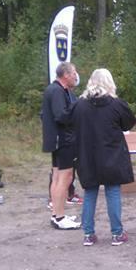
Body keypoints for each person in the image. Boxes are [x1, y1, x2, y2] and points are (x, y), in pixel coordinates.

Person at [72, 69, 136, 246]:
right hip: (111, 154)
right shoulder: (116, 104)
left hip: (87, 155)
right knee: (113, 191)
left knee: (90, 193)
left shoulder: (79, 105)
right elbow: (129, 123)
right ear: (110, 82)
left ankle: (88, 234)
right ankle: (117, 233)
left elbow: (71, 125)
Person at [41, 62, 81, 230]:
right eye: (74, 73)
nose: (76, 76)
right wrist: (77, 109)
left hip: (58, 140)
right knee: (64, 177)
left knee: (58, 177)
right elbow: (61, 116)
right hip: (63, 140)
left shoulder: (60, 90)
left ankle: (57, 214)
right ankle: (59, 217)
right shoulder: (56, 91)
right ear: (65, 75)